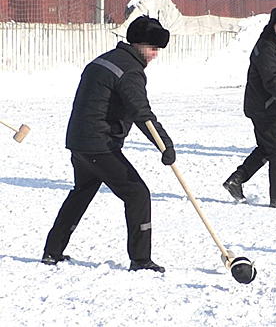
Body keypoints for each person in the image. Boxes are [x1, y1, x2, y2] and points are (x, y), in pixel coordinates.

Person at [41, 16, 175, 273]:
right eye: (153, 48)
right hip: (99, 145)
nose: (155, 55)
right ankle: (140, 260)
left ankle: (52, 250)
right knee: (137, 194)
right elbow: (141, 112)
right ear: (138, 44)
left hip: (79, 141)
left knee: (82, 192)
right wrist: (164, 145)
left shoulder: (104, 60)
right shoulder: (130, 71)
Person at [223, 7, 276, 208]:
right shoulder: (267, 47)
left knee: (267, 148)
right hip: (264, 107)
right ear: (273, 25)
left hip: (265, 106)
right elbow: (272, 83)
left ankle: (236, 180)